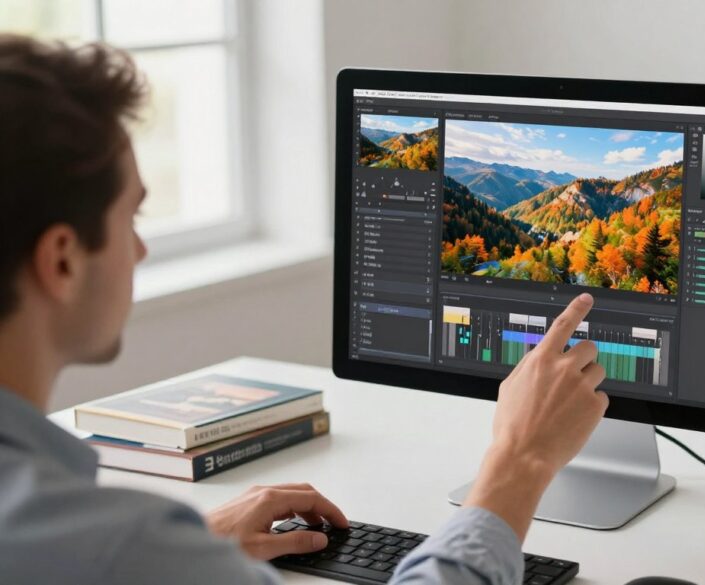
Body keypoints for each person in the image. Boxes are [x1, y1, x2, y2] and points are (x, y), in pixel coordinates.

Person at [0, 35, 609, 585]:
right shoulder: (108, 547)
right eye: (130, 217)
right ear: (62, 260)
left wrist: (192, 550)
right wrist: (521, 457)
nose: (140, 249)